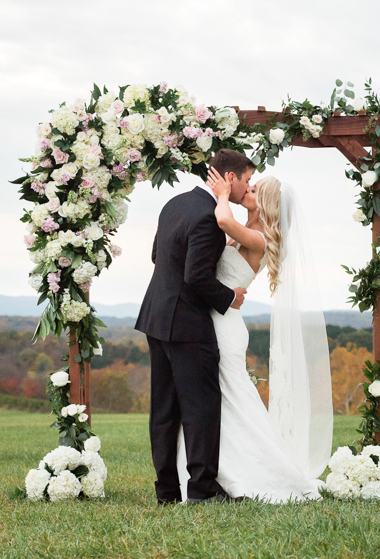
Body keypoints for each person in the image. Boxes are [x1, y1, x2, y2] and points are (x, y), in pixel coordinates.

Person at [174, 166, 334, 503]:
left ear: (264, 203)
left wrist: (220, 193)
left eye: (253, 188)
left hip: (225, 328)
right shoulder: (246, 231)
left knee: (233, 401)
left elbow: (220, 220)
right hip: (218, 319)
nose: (247, 189)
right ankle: (213, 470)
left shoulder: (259, 238)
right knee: (218, 401)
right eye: (247, 184)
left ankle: (249, 471)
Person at [135, 149, 254, 505]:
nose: (247, 186)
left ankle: (167, 493)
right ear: (229, 178)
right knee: (201, 407)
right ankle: (203, 491)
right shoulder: (209, 217)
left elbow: (159, 255)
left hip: (156, 317)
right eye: (246, 180)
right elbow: (197, 277)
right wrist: (229, 296)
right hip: (186, 323)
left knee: (164, 411)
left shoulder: (175, 203)